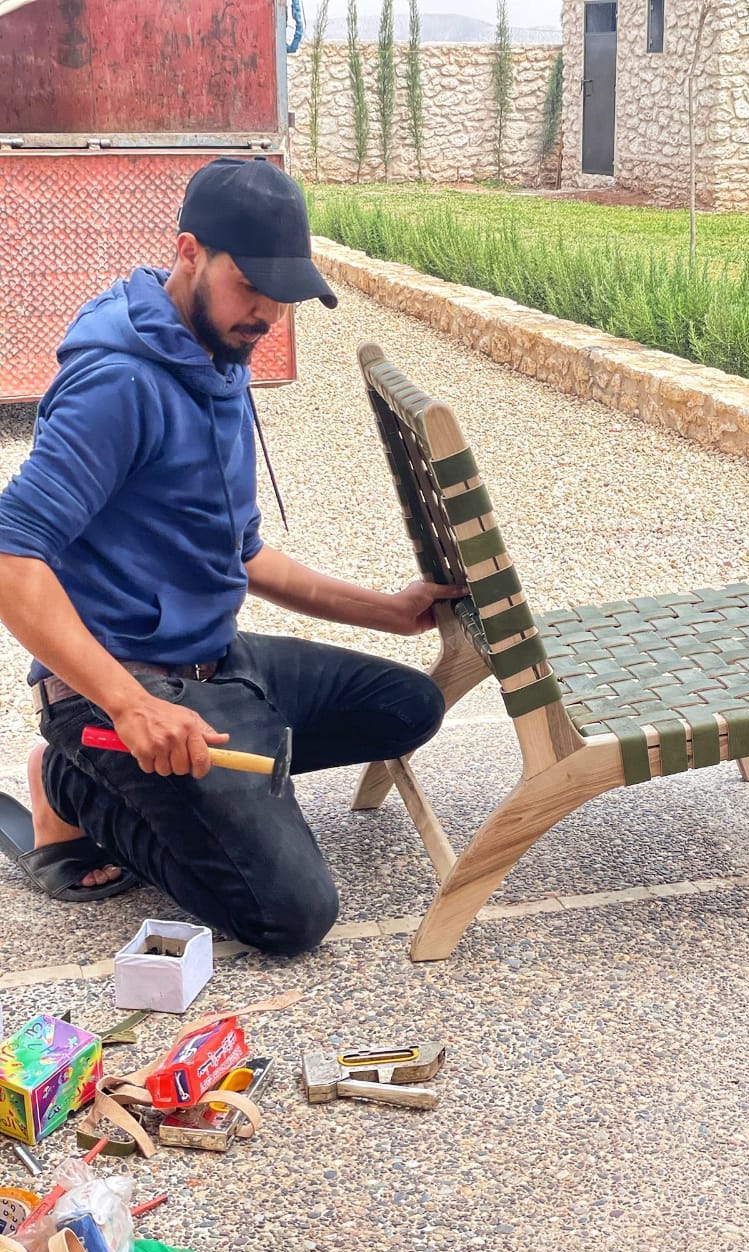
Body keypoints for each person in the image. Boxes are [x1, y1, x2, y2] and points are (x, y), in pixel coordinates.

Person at [0, 156, 461, 955]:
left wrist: (386, 610)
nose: (267, 316)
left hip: (221, 658)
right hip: (127, 687)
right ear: (189, 252)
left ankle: (207, 779)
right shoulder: (119, 382)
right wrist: (127, 705)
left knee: (410, 709)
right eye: (252, 289)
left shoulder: (218, 359)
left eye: (282, 299)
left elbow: (243, 554)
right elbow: (12, 555)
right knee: (290, 915)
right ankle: (73, 781)